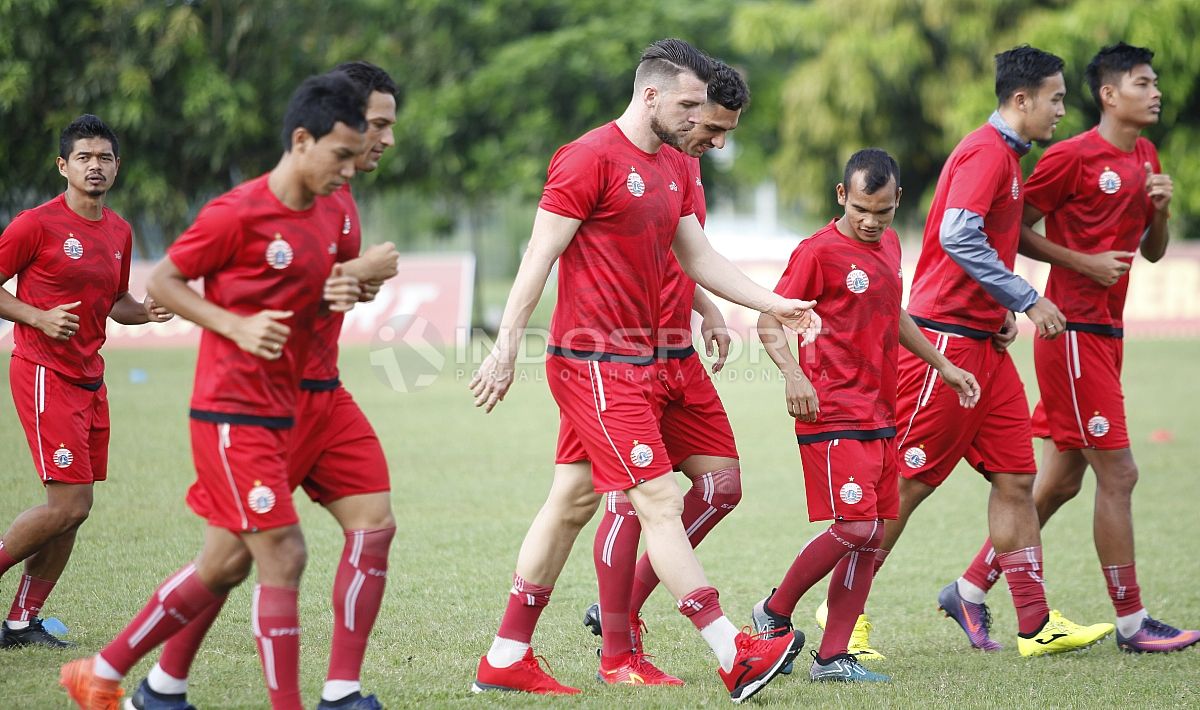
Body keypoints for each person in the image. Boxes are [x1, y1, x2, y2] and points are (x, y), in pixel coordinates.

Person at [468, 39, 814, 703]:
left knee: (570, 503)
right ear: (649, 94)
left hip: (655, 361)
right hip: (597, 363)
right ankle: (731, 652)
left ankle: (506, 655)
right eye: (687, 104)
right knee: (655, 500)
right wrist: (505, 345)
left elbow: (696, 255)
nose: (695, 116)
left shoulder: (677, 167)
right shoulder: (587, 157)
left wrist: (774, 303)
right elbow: (538, 257)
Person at [59, 72, 367, 710]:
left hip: (282, 412)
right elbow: (167, 282)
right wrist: (234, 325)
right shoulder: (238, 211)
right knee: (284, 554)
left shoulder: (322, 217)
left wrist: (349, 284)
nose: (351, 168)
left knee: (224, 565)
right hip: (232, 415)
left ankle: (103, 672)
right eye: (342, 154)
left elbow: (300, 303)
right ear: (303, 140)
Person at [948, 42, 1198, 653]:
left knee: (1061, 480)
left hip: (1108, 335)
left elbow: (1154, 252)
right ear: (1110, 94)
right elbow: (1016, 229)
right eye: (1144, 82)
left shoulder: (1144, 155)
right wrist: (1077, 262)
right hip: (1073, 334)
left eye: (1156, 81)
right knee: (1122, 472)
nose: (1156, 91)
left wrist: (1160, 214)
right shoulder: (1068, 157)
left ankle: (970, 587)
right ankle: (1134, 623)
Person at [875, 45, 1114, 656]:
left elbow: (982, 241)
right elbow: (958, 235)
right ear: (1021, 99)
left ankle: (1035, 625)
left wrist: (1000, 311)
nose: (1062, 110)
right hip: (945, 344)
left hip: (984, 340)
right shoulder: (985, 152)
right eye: (1056, 99)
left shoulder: (1007, 157)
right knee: (907, 484)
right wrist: (1026, 297)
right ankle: (841, 614)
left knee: (1016, 477)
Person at [751, 149, 980, 683]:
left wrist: (942, 364)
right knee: (854, 525)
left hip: (881, 410)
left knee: (874, 533)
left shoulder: (892, 244)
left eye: (882, 211)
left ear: (897, 200)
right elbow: (768, 319)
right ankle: (774, 611)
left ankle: (832, 658)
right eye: (860, 210)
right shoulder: (818, 253)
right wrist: (794, 375)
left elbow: (892, 311)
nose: (872, 222)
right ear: (841, 196)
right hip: (831, 410)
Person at [578, 59, 749, 686]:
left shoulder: (684, 162)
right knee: (635, 499)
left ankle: (612, 613)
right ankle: (613, 640)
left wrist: (707, 309)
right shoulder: (616, 156)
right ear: (678, 106)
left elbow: (686, 252)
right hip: (616, 360)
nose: (717, 142)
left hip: (675, 351)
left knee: (719, 488)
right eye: (710, 126)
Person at [0, 114, 173, 648]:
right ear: (63, 165)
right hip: (44, 374)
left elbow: (117, 302)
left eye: (104, 158)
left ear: (117, 167)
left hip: (89, 380)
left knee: (75, 512)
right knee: (67, 506)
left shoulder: (118, 231)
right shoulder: (35, 224)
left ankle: (20, 623)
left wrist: (146, 310)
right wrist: (36, 316)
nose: (94, 166)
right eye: (84, 157)